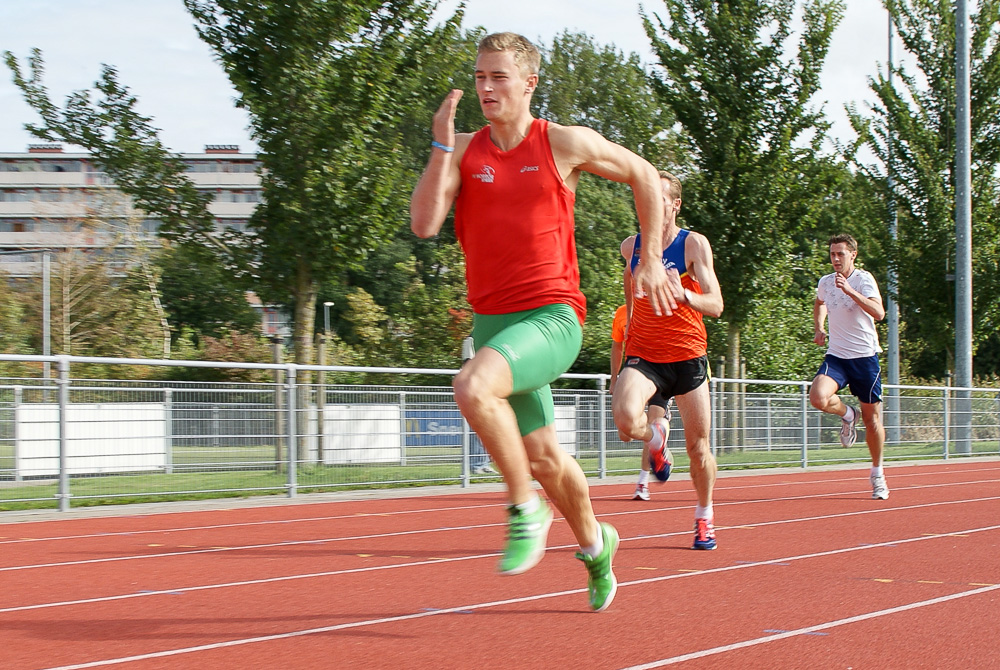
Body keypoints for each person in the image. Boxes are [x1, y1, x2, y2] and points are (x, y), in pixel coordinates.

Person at [410, 32, 673, 612]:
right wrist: (438, 146)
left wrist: (651, 257)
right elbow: (426, 223)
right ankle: (596, 544)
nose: (485, 88)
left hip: (552, 318)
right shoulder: (463, 150)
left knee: (473, 386)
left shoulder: (561, 142)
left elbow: (646, 175)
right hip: (493, 326)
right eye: (479, 77)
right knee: (550, 458)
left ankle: (524, 506)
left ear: (529, 83)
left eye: (498, 77)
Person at [611, 171, 724, 550]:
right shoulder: (632, 247)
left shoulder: (693, 246)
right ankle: (656, 436)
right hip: (645, 355)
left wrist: (685, 297)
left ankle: (704, 516)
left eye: (656, 197)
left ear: (674, 204)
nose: (648, 203)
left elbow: (717, 304)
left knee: (698, 449)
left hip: (688, 356)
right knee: (626, 420)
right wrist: (628, 336)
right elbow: (630, 291)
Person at [810, 234, 889, 500]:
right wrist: (819, 327)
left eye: (840, 254)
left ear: (853, 255)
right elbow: (820, 302)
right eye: (832, 254)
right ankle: (847, 415)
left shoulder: (863, 280)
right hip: (838, 356)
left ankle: (877, 473)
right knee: (818, 397)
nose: (835, 259)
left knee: (872, 420)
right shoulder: (825, 282)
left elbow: (879, 313)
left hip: (865, 358)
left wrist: (850, 291)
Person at [610, 303, 673, 501]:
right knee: (625, 434)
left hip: (661, 372)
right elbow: (617, 345)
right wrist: (614, 379)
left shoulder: (660, 305)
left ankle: (642, 483)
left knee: (655, 420)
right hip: (634, 374)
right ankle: (655, 439)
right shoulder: (622, 313)